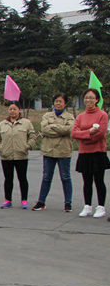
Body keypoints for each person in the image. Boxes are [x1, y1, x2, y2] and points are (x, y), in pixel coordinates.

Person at [32, 93, 75, 213]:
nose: (58, 103)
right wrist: (60, 129)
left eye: (60, 101)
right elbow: (44, 130)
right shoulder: (47, 116)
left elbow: (69, 130)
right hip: (49, 151)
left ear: (65, 103)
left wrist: (53, 126)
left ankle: (68, 203)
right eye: (56, 101)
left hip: (63, 151)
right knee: (46, 177)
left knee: (65, 177)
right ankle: (41, 201)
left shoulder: (70, 117)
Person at [71, 88, 110, 219]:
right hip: (84, 153)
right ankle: (87, 206)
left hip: (98, 152)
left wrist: (83, 136)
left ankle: (101, 207)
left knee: (99, 181)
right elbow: (73, 133)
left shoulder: (102, 114)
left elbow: (100, 134)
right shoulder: (81, 116)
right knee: (86, 181)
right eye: (86, 98)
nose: (89, 100)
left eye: (91, 98)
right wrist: (88, 133)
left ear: (97, 99)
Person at [0, 102, 36, 209]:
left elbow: (32, 136)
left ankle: (24, 200)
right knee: (8, 179)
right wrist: (0, 148)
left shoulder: (26, 123)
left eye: (14, 109)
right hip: (6, 156)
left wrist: (28, 146)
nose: (12, 111)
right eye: (10, 109)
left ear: (19, 110)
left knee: (22, 178)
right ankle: (8, 199)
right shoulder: (2, 124)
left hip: (21, 155)